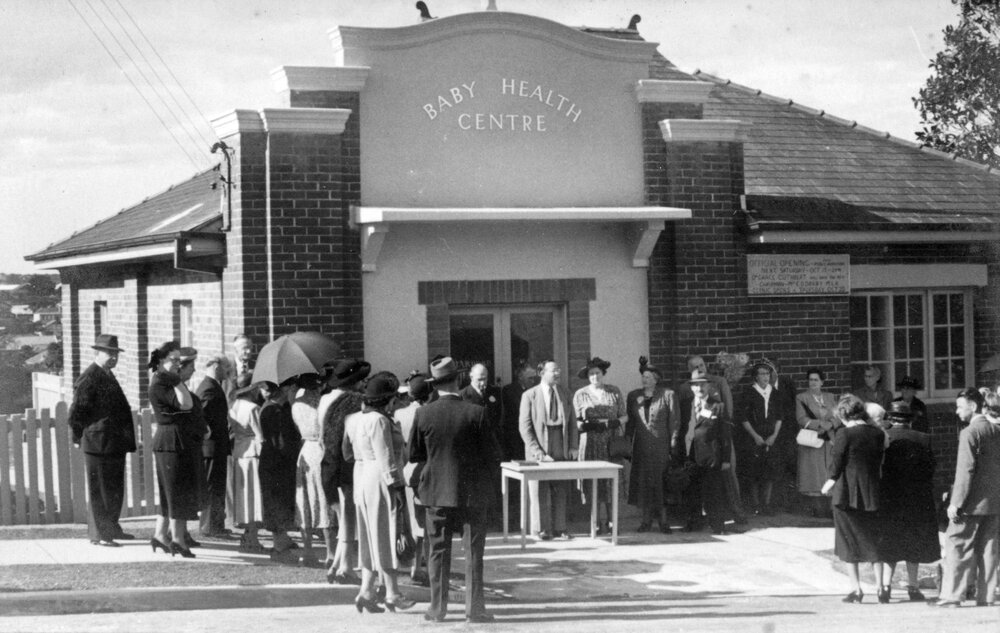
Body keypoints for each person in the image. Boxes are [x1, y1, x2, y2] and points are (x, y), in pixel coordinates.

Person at [410, 357, 499, 623]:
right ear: (458, 380)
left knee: (437, 551)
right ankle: (475, 609)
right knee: (473, 552)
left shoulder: (423, 413)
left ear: (435, 385)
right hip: (472, 493)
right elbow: (493, 454)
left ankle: (437, 609)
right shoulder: (476, 412)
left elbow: (414, 454)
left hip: (437, 492)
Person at [344, 373, 416, 614]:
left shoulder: (354, 419)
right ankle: (392, 593)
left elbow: (346, 452)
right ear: (388, 400)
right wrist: (396, 487)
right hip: (379, 478)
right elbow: (386, 458)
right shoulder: (380, 421)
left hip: (361, 474)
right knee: (386, 534)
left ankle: (366, 590)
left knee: (368, 536)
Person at [933, 389, 1000, 608]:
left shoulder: (969, 433)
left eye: (960, 406)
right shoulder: (996, 430)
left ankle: (952, 595)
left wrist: (955, 503)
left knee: (956, 545)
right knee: (989, 549)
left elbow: (965, 471)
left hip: (970, 504)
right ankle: (987, 596)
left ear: (973, 406)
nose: (957, 411)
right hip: (994, 501)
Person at [67, 334, 136, 547]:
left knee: (115, 489)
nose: (113, 357)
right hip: (97, 443)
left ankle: (112, 528)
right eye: (109, 353)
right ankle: (101, 535)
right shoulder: (90, 377)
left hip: (113, 442)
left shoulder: (107, 374)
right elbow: (76, 412)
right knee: (101, 490)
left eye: (115, 353)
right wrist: (78, 437)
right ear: (97, 352)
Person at [821, 394, 886, 603]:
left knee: (848, 542)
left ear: (843, 413)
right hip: (872, 492)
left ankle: (856, 589)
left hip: (846, 493)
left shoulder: (844, 434)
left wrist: (828, 482)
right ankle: (881, 588)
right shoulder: (876, 433)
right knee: (873, 540)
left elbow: (837, 463)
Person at [878, 401, 937, 603]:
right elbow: (931, 470)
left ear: (891, 419)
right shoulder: (924, 439)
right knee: (914, 543)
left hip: (889, 498)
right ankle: (913, 586)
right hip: (916, 499)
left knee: (890, 543)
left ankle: (885, 587)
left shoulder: (884, 438)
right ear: (910, 420)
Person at [319, 358, 370, 584]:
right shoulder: (356, 403)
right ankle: (346, 567)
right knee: (349, 519)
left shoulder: (328, 401)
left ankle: (338, 564)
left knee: (344, 518)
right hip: (346, 467)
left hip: (329, 464)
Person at [678, 355, 746, 525]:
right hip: (698, 443)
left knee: (728, 474)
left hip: (719, 439)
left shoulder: (719, 382)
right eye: (695, 367)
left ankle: (736, 512)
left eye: (701, 365)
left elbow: (727, 412)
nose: (700, 368)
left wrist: (725, 442)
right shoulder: (686, 388)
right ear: (689, 370)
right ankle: (700, 517)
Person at [148, 341, 199, 558]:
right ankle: (177, 539)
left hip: (176, 439)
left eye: (180, 360)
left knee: (172, 490)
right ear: (161, 361)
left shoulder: (168, 380)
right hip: (170, 440)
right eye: (174, 360)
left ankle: (160, 534)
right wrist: (178, 382)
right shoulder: (161, 382)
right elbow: (186, 404)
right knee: (176, 491)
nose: (178, 364)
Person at [519, 359, 579, 540]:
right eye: (554, 370)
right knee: (539, 488)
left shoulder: (565, 393)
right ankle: (542, 529)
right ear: (542, 373)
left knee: (560, 487)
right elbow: (525, 427)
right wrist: (537, 452)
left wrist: (573, 446)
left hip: (559, 441)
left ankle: (560, 528)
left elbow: (573, 424)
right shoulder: (530, 395)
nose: (557, 373)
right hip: (539, 444)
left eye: (558, 369)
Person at [573, 357, 627, 534]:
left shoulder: (614, 391)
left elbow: (624, 416)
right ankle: (595, 522)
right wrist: (587, 425)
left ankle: (613, 522)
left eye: (597, 373)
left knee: (611, 482)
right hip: (590, 442)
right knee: (593, 482)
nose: (594, 376)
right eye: (591, 374)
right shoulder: (580, 394)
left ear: (603, 374)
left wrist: (615, 422)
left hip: (610, 441)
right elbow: (576, 422)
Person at [625, 356, 677, 533]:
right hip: (641, 447)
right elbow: (631, 422)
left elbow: (674, 421)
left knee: (662, 483)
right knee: (644, 484)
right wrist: (627, 442)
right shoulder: (634, 396)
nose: (644, 379)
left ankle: (663, 521)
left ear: (656, 379)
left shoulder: (667, 395)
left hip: (661, 446)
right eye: (643, 376)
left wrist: (673, 443)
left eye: (648, 377)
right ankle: (646, 521)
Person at [395, 372, 434, 585]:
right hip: (427, 470)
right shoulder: (430, 412)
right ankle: (422, 566)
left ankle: (413, 566)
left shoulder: (400, 414)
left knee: (411, 521)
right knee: (426, 523)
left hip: (406, 470)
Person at [291, 373, 332, 566]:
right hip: (319, 448)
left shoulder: (296, 402)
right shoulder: (321, 403)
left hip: (305, 449)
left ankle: (307, 550)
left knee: (306, 501)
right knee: (322, 500)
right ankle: (331, 552)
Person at [258, 380, 301, 556]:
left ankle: (282, 539)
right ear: (284, 389)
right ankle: (279, 545)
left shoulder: (281, 408)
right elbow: (282, 441)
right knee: (277, 501)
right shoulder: (273, 410)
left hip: (276, 460)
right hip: (276, 461)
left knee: (280, 500)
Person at [737, 361, 785, 515]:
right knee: (754, 472)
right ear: (755, 377)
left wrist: (774, 436)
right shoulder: (748, 393)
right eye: (762, 374)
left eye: (767, 374)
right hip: (753, 438)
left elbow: (779, 417)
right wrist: (755, 436)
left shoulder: (776, 394)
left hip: (771, 438)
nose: (766, 377)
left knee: (769, 472)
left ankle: (767, 504)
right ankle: (756, 504)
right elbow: (743, 418)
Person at [460, 363, 504, 527]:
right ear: (471, 377)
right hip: (474, 449)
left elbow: (499, 419)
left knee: (493, 484)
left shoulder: (494, 393)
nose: (483, 383)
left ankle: (494, 519)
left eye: (485, 379)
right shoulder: (464, 395)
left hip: (491, 448)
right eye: (479, 379)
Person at [194, 355, 231, 538]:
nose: (228, 372)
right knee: (212, 486)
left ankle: (216, 524)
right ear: (216, 366)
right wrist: (207, 433)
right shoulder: (209, 388)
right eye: (226, 368)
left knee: (217, 486)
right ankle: (210, 526)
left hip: (216, 446)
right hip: (211, 446)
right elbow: (202, 416)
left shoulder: (213, 385)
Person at [228, 374, 265, 553]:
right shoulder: (253, 408)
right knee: (255, 495)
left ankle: (249, 534)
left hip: (240, 452)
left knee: (245, 495)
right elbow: (260, 435)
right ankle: (252, 536)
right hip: (253, 453)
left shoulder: (233, 406)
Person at [795, 369, 838, 517]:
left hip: (829, 440)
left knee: (829, 471)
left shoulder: (831, 397)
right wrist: (819, 424)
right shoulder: (802, 398)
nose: (812, 382)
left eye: (816, 380)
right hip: (813, 440)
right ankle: (817, 508)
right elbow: (801, 418)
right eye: (810, 380)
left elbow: (838, 416)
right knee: (813, 474)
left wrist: (831, 424)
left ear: (822, 382)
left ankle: (831, 508)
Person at [177, 347, 208, 549]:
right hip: (185, 446)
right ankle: (180, 534)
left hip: (193, 446)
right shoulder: (178, 391)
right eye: (191, 367)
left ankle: (183, 532)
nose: (193, 371)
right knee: (183, 492)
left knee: (190, 492)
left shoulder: (185, 389)